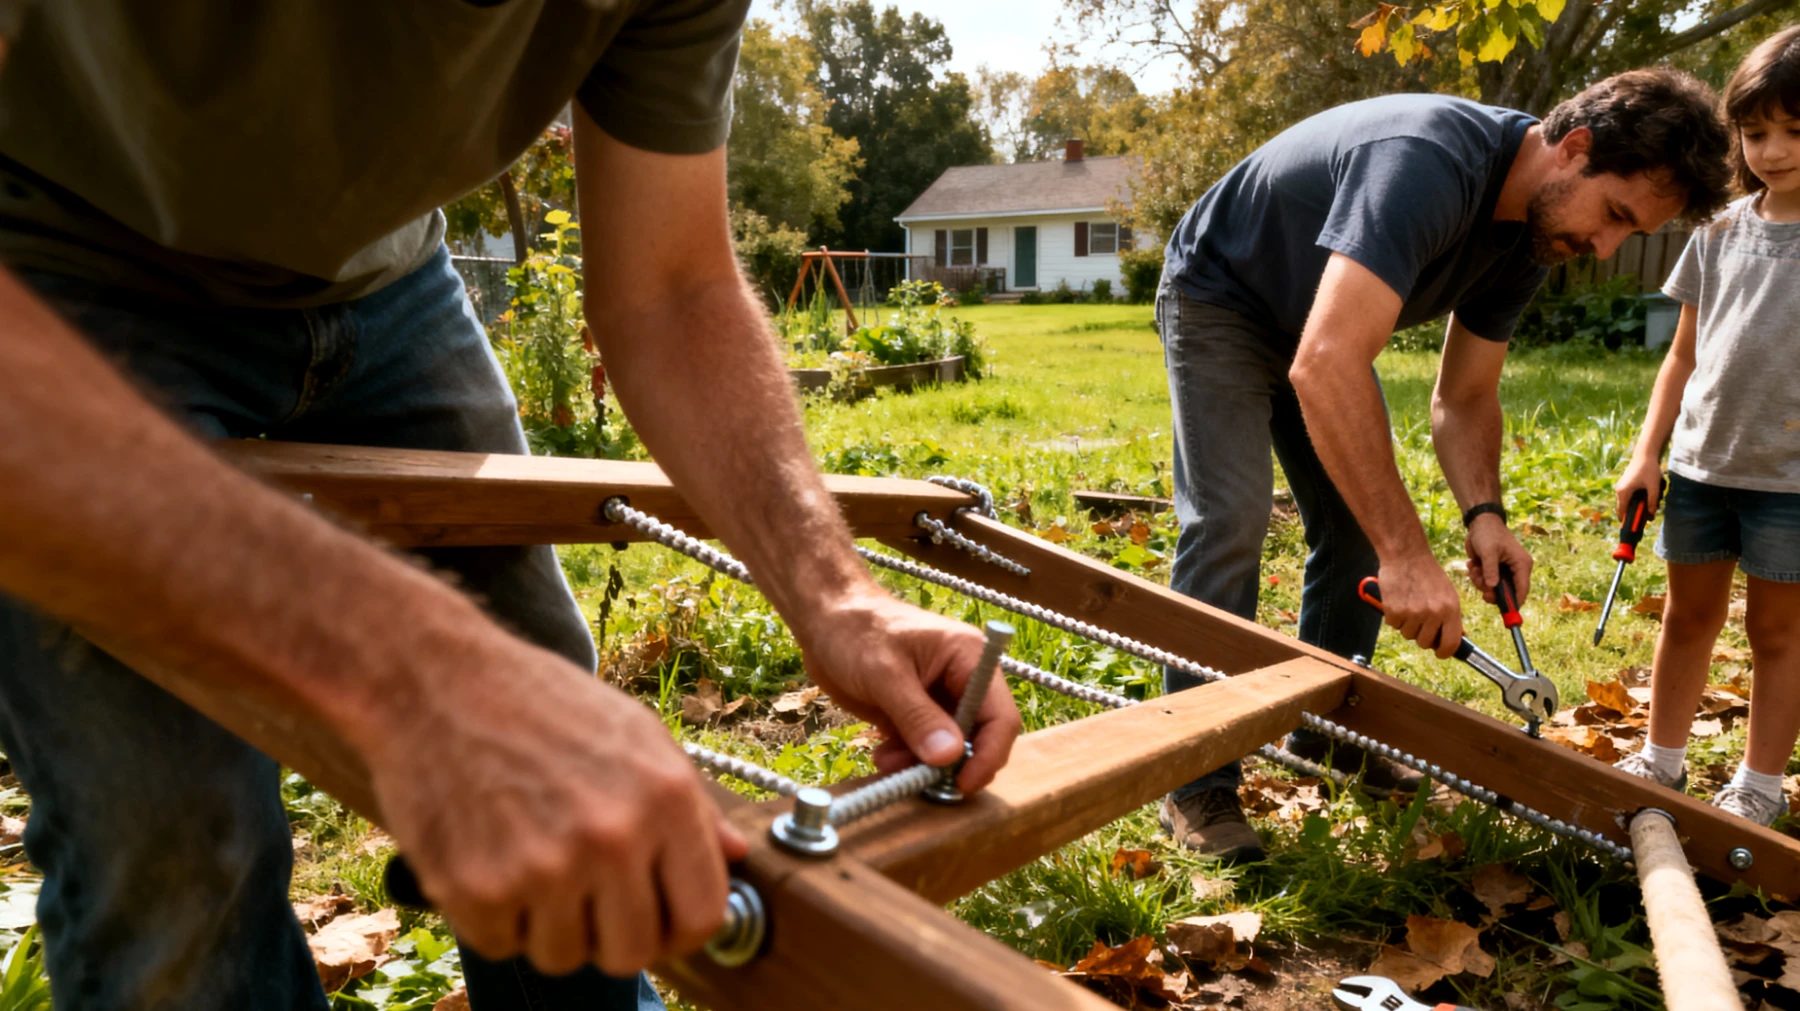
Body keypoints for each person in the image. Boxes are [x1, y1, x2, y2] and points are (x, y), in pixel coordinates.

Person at [0, 3, 1022, 1008]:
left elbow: (671, 285)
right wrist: (419, 675)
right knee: (169, 831)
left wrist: (836, 592)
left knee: (548, 708)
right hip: (51, 265)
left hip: (384, 280)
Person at [1155, 70, 1732, 861]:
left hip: (1318, 326)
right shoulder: (1425, 163)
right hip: (1225, 294)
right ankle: (1195, 777)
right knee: (1231, 517)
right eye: (1615, 216)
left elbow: (1464, 397)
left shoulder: (1532, 234)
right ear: (1574, 148)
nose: (1604, 247)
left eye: (1627, 236)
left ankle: (1325, 736)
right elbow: (1328, 361)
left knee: (1354, 534)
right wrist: (1407, 553)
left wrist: (1484, 516)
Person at [1612, 27, 1800, 827]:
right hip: (1699, 468)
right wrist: (1646, 453)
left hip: (1790, 484)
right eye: (1755, 132)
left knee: (1777, 633)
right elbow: (1682, 355)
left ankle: (1759, 785)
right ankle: (1661, 760)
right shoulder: (1717, 231)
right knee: (1687, 617)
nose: (1772, 151)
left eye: (1794, 130)